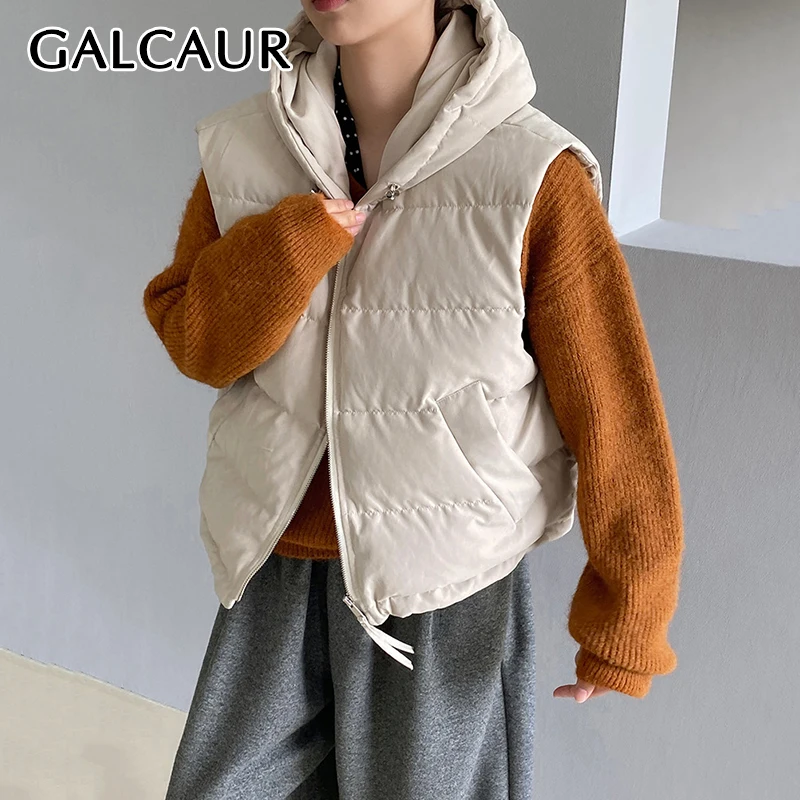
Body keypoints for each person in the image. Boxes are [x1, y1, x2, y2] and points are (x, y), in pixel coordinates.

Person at [142, 0, 685, 797]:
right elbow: (198, 344)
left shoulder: (531, 174)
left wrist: (631, 607)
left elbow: (614, 407)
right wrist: (284, 253)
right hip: (272, 568)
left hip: (443, 589)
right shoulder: (243, 150)